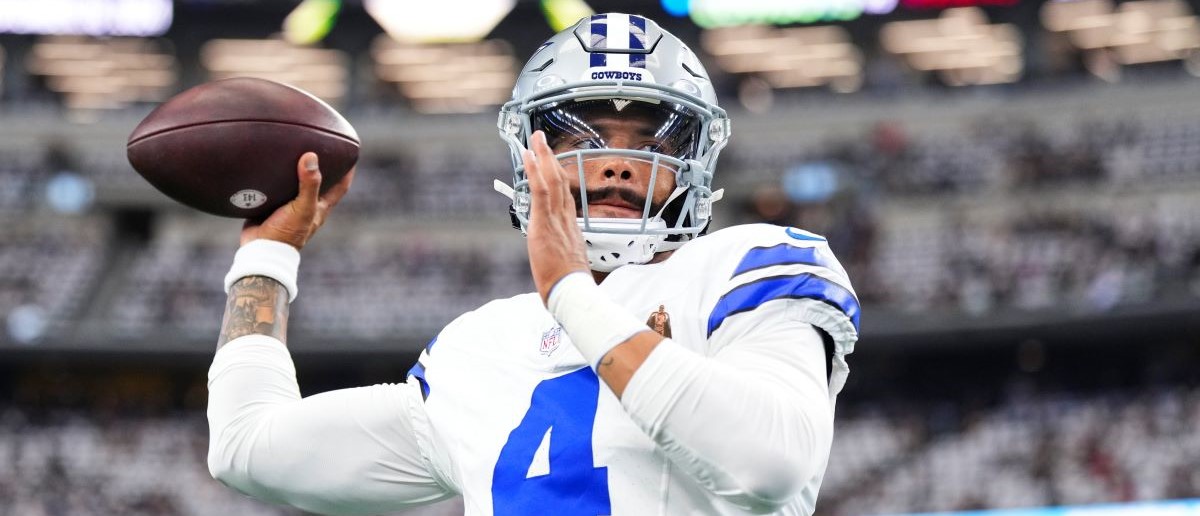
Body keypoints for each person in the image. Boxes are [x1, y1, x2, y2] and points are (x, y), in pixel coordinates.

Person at [206, 13, 859, 516]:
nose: (617, 163)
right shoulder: (477, 349)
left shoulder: (746, 266)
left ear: (694, 163)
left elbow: (773, 461)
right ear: (529, 156)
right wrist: (268, 254)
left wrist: (572, 293)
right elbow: (248, 447)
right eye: (585, 139)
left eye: (650, 140)